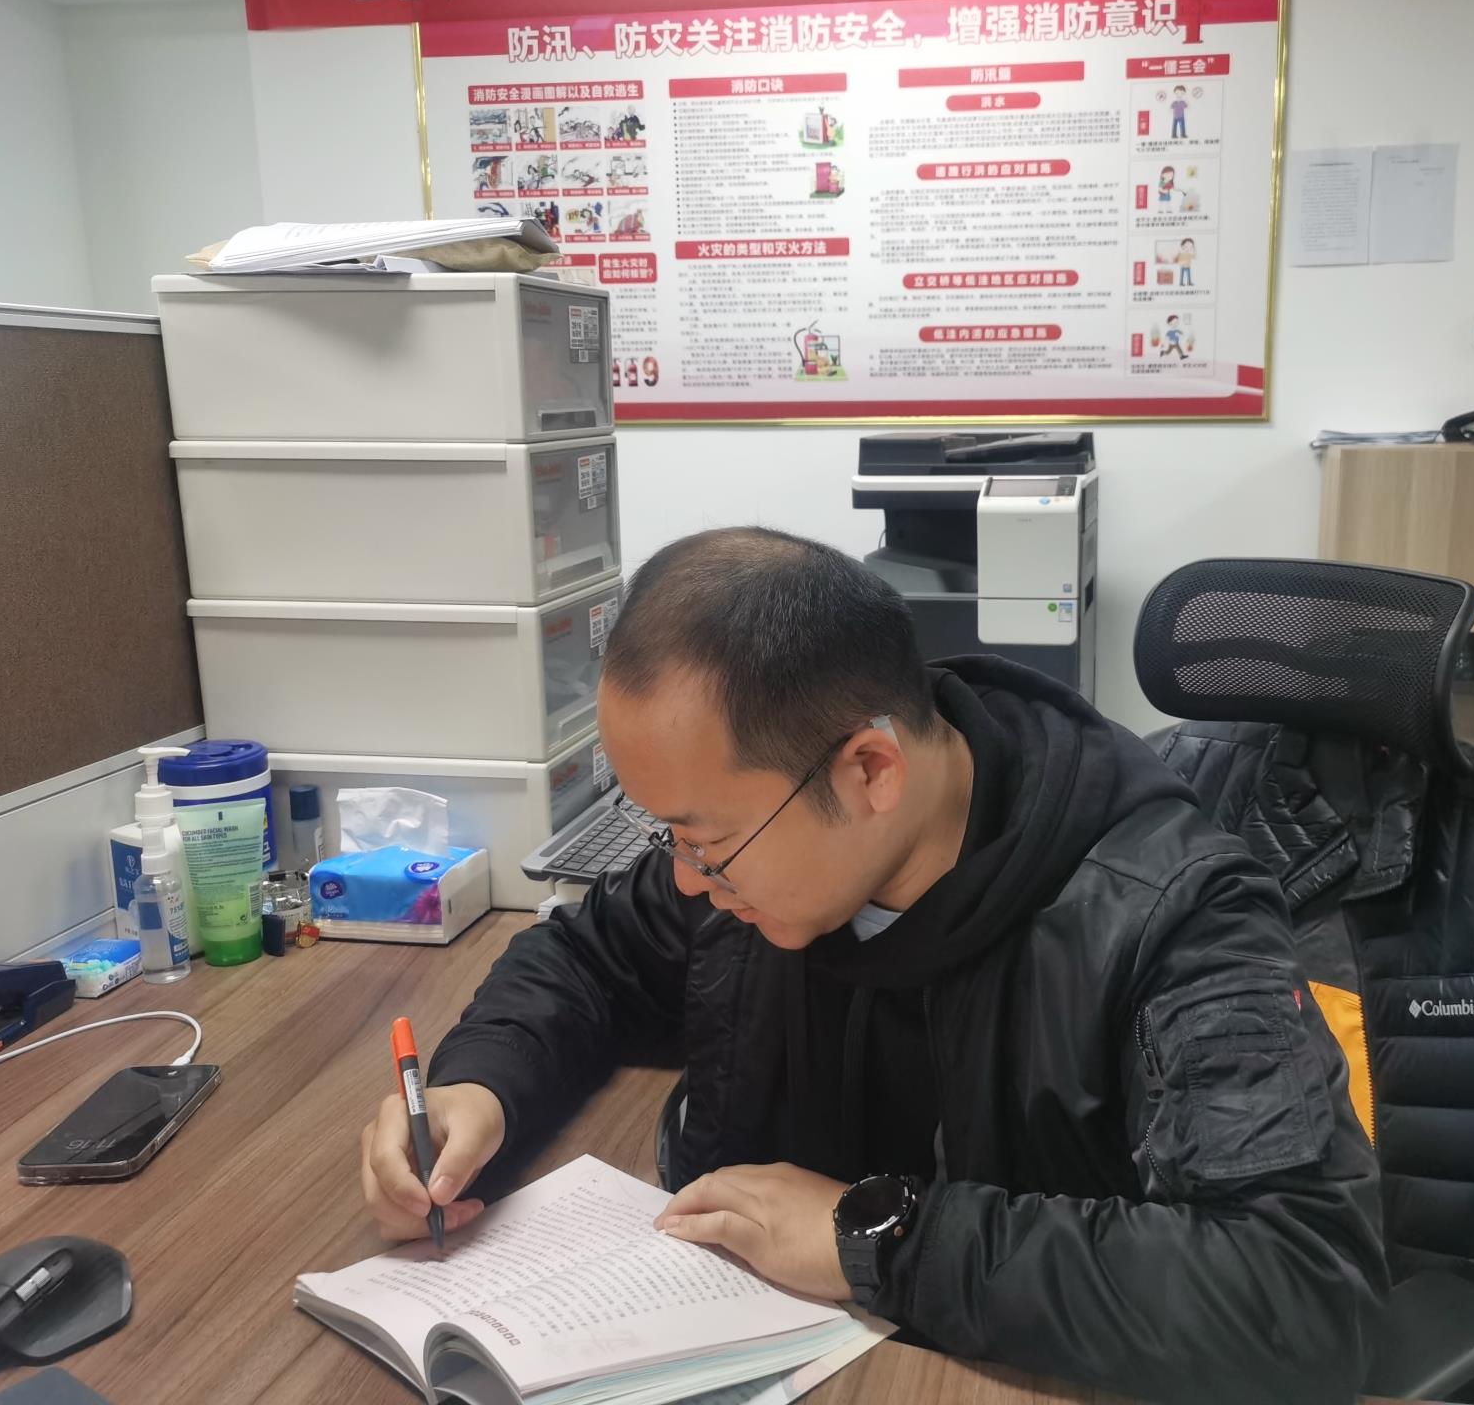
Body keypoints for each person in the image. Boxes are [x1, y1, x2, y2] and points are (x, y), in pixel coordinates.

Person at [358, 529, 1387, 1404]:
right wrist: (479, 1085)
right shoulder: (751, 865)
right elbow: (586, 959)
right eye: (667, 833)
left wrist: (878, 1239)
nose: (685, 877)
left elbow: (1297, 1291)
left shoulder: (1170, 917)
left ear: (871, 770)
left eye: (705, 840)